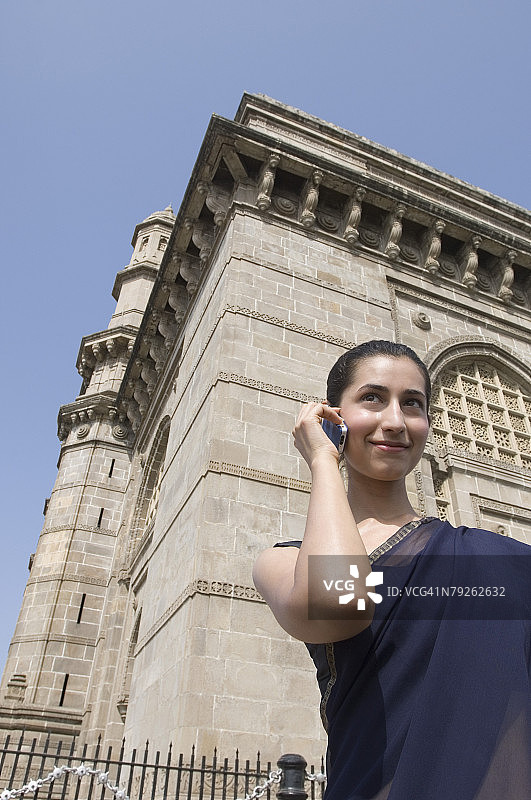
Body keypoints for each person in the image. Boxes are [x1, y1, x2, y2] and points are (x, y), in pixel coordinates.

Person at [253, 340, 530, 800]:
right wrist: (323, 460)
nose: (396, 421)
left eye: (413, 404)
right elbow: (339, 603)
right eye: (372, 398)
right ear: (333, 417)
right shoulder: (284, 562)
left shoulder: (498, 560)